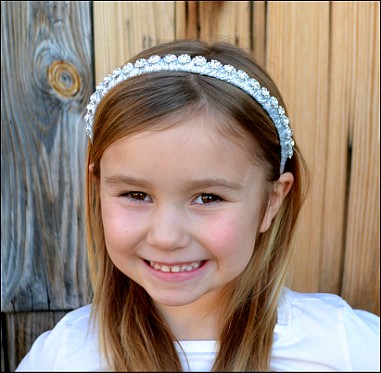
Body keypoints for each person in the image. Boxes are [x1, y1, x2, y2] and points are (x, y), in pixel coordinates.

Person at [16, 39, 379, 372]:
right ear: (98, 191)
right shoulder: (63, 356)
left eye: (208, 198)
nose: (166, 237)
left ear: (271, 201)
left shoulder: (344, 348)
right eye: (136, 195)